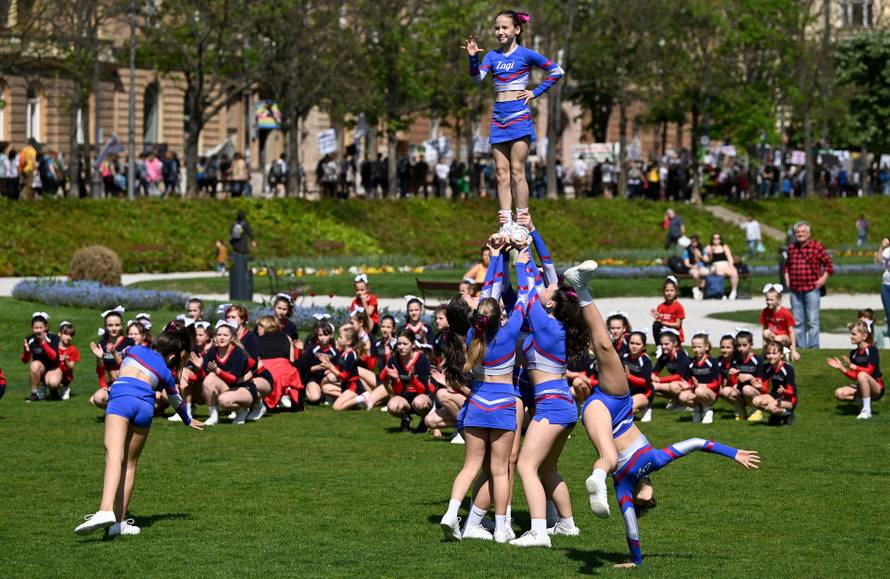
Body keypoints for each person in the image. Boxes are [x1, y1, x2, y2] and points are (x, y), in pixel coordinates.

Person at [560, 259, 760, 568]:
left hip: (601, 416)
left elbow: (632, 529)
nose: (643, 496)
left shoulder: (624, 489)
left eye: (640, 500)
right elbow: (696, 442)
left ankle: (597, 478)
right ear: (650, 495)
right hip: (621, 404)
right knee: (606, 347)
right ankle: (579, 285)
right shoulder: (655, 460)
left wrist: (636, 561)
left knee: (609, 457)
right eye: (646, 498)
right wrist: (733, 454)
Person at [74, 325, 202, 537]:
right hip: (145, 407)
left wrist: (107, 354)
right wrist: (187, 420)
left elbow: (116, 358)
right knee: (130, 464)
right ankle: (119, 523)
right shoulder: (167, 372)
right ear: (172, 356)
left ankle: (105, 510)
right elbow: (175, 399)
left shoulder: (134, 349)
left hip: (122, 397)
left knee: (114, 455)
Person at [439, 252, 530, 543]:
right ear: (497, 318)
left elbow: (489, 290)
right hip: (503, 405)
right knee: (499, 470)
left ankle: (452, 514)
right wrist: (521, 262)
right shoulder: (507, 333)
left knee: (470, 467)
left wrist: (494, 259)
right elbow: (525, 297)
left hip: (477, 405)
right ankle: (502, 528)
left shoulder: (470, 336)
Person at [465, 9, 563, 238]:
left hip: (519, 118)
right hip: (499, 118)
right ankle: (505, 222)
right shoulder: (491, 56)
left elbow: (557, 71)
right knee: (501, 172)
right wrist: (472, 57)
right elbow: (477, 78)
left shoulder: (527, 55)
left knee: (518, 171)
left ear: (516, 30)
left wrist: (535, 92)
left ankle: (521, 219)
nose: (499, 31)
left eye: (504, 27)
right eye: (497, 28)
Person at [784, 221, 833, 349]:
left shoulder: (816, 247)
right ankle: (800, 347)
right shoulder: (791, 248)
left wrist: (823, 279)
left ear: (808, 233)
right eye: (798, 232)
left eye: (803, 232)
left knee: (813, 321)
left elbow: (829, 264)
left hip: (812, 289)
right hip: (795, 290)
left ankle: (813, 347)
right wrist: (787, 278)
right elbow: (786, 266)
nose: (800, 234)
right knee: (798, 322)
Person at [829, 320, 883, 420]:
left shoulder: (872, 350)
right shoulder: (853, 353)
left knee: (862, 374)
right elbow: (855, 376)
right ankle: (863, 401)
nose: (851, 336)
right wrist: (842, 368)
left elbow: (869, 371)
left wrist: (854, 367)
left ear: (864, 336)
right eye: (851, 334)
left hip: (876, 387)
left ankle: (866, 410)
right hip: (862, 385)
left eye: (854, 334)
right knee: (839, 393)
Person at [381, 329, 433, 432]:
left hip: (421, 397)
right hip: (405, 398)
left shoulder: (422, 360)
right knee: (392, 406)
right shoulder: (394, 360)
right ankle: (406, 418)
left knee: (420, 403)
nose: (401, 347)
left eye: (405, 344)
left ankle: (424, 420)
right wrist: (396, 380)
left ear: (413, 344)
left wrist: (412, 379)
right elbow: (398, 392)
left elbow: (423, 390)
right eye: (399, 343)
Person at [751, 341, 798, 425]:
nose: (771, 356)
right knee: (756, 401)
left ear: (782, 354)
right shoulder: (766, 367)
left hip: (789, 398)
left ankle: (789, 414)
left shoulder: (788, 369)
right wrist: (759, 386)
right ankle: (778, 414)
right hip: (775, 395)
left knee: (771, 407)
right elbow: (765, 391)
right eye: (768, 353)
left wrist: (784, 391)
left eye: (774, 353)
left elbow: (792, 392)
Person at [679, 333, 721, 424]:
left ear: (706, 347)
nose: (696, 350)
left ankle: (707, 410)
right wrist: (687, 385)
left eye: (699, 347)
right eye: (694, 347)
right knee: (682, 396)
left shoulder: (712, 362)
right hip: (696, 390)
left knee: (699, 390)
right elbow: (689, 380)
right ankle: (697, 409)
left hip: (710, 393)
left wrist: (699, 385)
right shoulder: (690, 362)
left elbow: (716, 384)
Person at [21, 312, 62, 401]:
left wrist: (43, 342)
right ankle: (34, 394)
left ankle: (54, 390)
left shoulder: (53, 338)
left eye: (41, 328)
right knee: (34, 364)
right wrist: (26, 351)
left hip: (53, 368)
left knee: (53, 383)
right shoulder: (30, 339)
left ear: (46, 328)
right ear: (32, 328)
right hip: (40, 368)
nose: (38, 330)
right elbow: (25, 360)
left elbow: (54, 357)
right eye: (36, 328)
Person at [759, 283, 799, 360]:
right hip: (773, 337)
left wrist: (794, 350)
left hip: (785, 338)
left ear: (779, 299)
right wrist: (763, 350)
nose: (769, 302)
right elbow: (764, 330)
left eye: (771, 300)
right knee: (765, 332)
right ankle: (771, 351)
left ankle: (784, 350)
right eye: (767, 299)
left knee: (778, 338)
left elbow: (791, 332)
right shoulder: (765, 312)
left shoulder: (785, 312)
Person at [702, 233, 739, 300]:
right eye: (714, 238)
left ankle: (733, 291)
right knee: (719, 272)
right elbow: (706, 260)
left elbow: (729, 258)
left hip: (725, 264)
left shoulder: (724, 247)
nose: (716, 240)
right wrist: (710, 254)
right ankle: (721, 292)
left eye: (718, 238)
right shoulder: (709, 247)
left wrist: (731, 265)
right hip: (715, 265)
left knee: (734, 272)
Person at [650, 276, 685, 344]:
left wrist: (662, 322)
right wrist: (657, 317)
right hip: (664, 331)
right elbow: (659, 321)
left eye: (672, 291)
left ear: (676, 292)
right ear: (663, 292)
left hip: (675, 333)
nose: (669, 293)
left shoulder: (678, 306)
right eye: (667, 290)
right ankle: (659, 346)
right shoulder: (660, 306)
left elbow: (677, 325)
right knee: (655, 325)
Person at [58, 321, 80, 401]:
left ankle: (65, 387)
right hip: (54, 372)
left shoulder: (73, 349)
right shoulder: (54, 346)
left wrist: (65, 360)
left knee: (64, 398)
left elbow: (71, 368)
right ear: (59, 334)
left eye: (71, 335)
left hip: (66, 376)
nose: (68, 337)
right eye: (66, 334)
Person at [681, 235, 708, 300]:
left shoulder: (702, 249)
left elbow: (706, 259)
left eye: (695, 241)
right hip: (692, 267)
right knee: (695, 274)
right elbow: (686, 263)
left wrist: (700, 256)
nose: (694, 242)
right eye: (693, 241)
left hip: (701, 266)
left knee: (707, 273)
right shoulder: (687, 250)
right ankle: (698, 288)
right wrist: (694, 266)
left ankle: (700, 288)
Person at [876, 238, 890, 342]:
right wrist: (882, 247)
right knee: (889, 312)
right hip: (886, 286)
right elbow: (879, 260)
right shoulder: (887, 251)